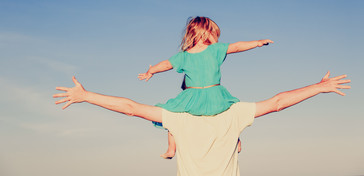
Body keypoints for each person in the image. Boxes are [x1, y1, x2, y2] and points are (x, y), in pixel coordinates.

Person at [53, 71, 350, 176]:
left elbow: (131, 108)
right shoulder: (234, 112)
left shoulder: (177, 118)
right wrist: (318, 87)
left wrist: (86, 95)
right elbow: (277, 103)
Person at [138, 16, 273, 158]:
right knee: (229, 114)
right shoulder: (215, 49)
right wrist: (257, 43)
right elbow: (237, 46)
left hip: (193, 96)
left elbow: (166, 64)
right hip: (214, 93)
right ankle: (236, 140)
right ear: (206, 32)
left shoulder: (184, 56)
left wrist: (151, 71)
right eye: (215, 34)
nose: (217, 38)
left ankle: (171, 148)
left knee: (171, 115)